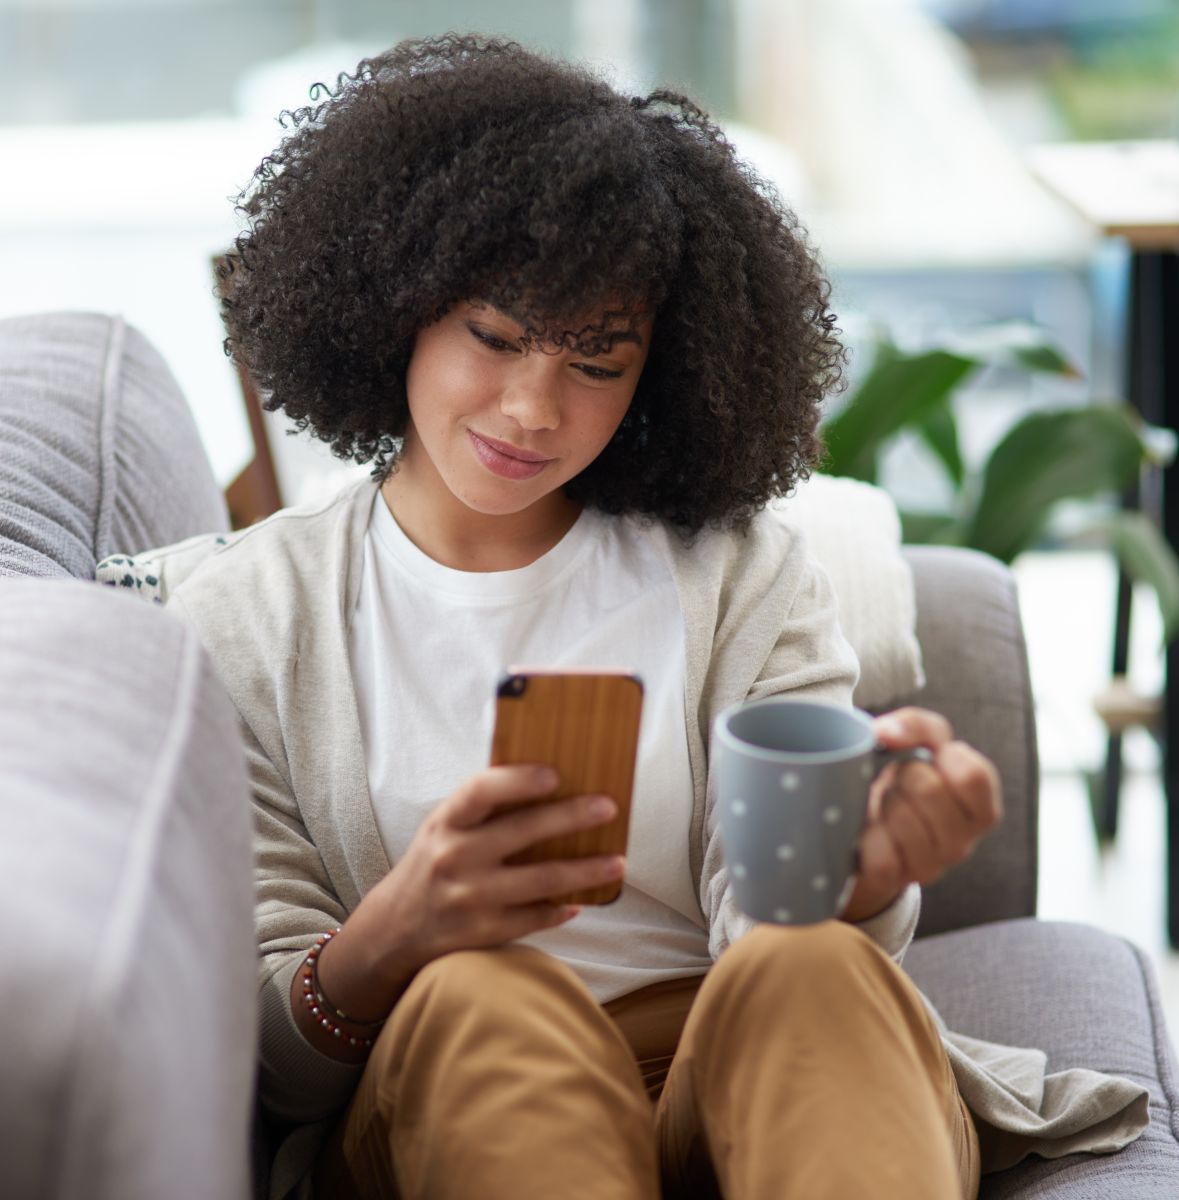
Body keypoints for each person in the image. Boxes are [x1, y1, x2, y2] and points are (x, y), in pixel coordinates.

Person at [165, 34, 1006, 1200]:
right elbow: (271, 1065)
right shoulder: (245, 621)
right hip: (452, 1083)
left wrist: (851, 878)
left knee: (806, 967)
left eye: (598, 362)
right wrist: (398, 931)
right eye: (495, 337)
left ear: (663, 371)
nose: (531, 407)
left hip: (724, 1065)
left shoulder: (742, 575)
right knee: (479, 989)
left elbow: (782, 939)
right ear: (397, 305)